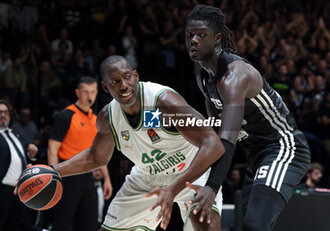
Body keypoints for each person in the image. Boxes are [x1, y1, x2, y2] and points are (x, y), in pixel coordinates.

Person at [42, 55, 226, 231]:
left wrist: (171, 190)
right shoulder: (108, 117)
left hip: (191, 170)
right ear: (106, 87)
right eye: (115, 82)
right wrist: (53, 171)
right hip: (147, 175)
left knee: (205, 222)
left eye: (127, 77)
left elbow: (213, 144)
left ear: (136, 76)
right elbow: (94, 157)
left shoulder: (164, 101)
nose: (124, 86)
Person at [182, 5, 310, 231]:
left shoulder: (235, 75)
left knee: (254, 225)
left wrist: (212, 187)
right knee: (250, 225)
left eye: (202, 35)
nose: (193, 40)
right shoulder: (203, 77)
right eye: (190, 35)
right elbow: (215, 134)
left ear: (217, 39)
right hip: (255, 154)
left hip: (283, 148)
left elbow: (227, 139)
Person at [47, 77, 113, 231]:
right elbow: (52, 149)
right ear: (77, 93)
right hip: (68, 174)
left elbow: (99, 154)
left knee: (90, 222)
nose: (89, 96)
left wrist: (107, 179)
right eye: (85, 92)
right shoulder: (66, 115)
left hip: (88, 176)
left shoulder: (96, 119)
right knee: (62, 222)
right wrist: (55, 177)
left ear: (97, 93)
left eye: (92, 92)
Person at [0, 99, 38, 231]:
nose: (3, 115)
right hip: (3, 189)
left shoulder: (13, 133)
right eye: (0, 112)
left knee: (15, 226)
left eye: (5, 112)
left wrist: (30, 149)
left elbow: (19, 151)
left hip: (19, 190)